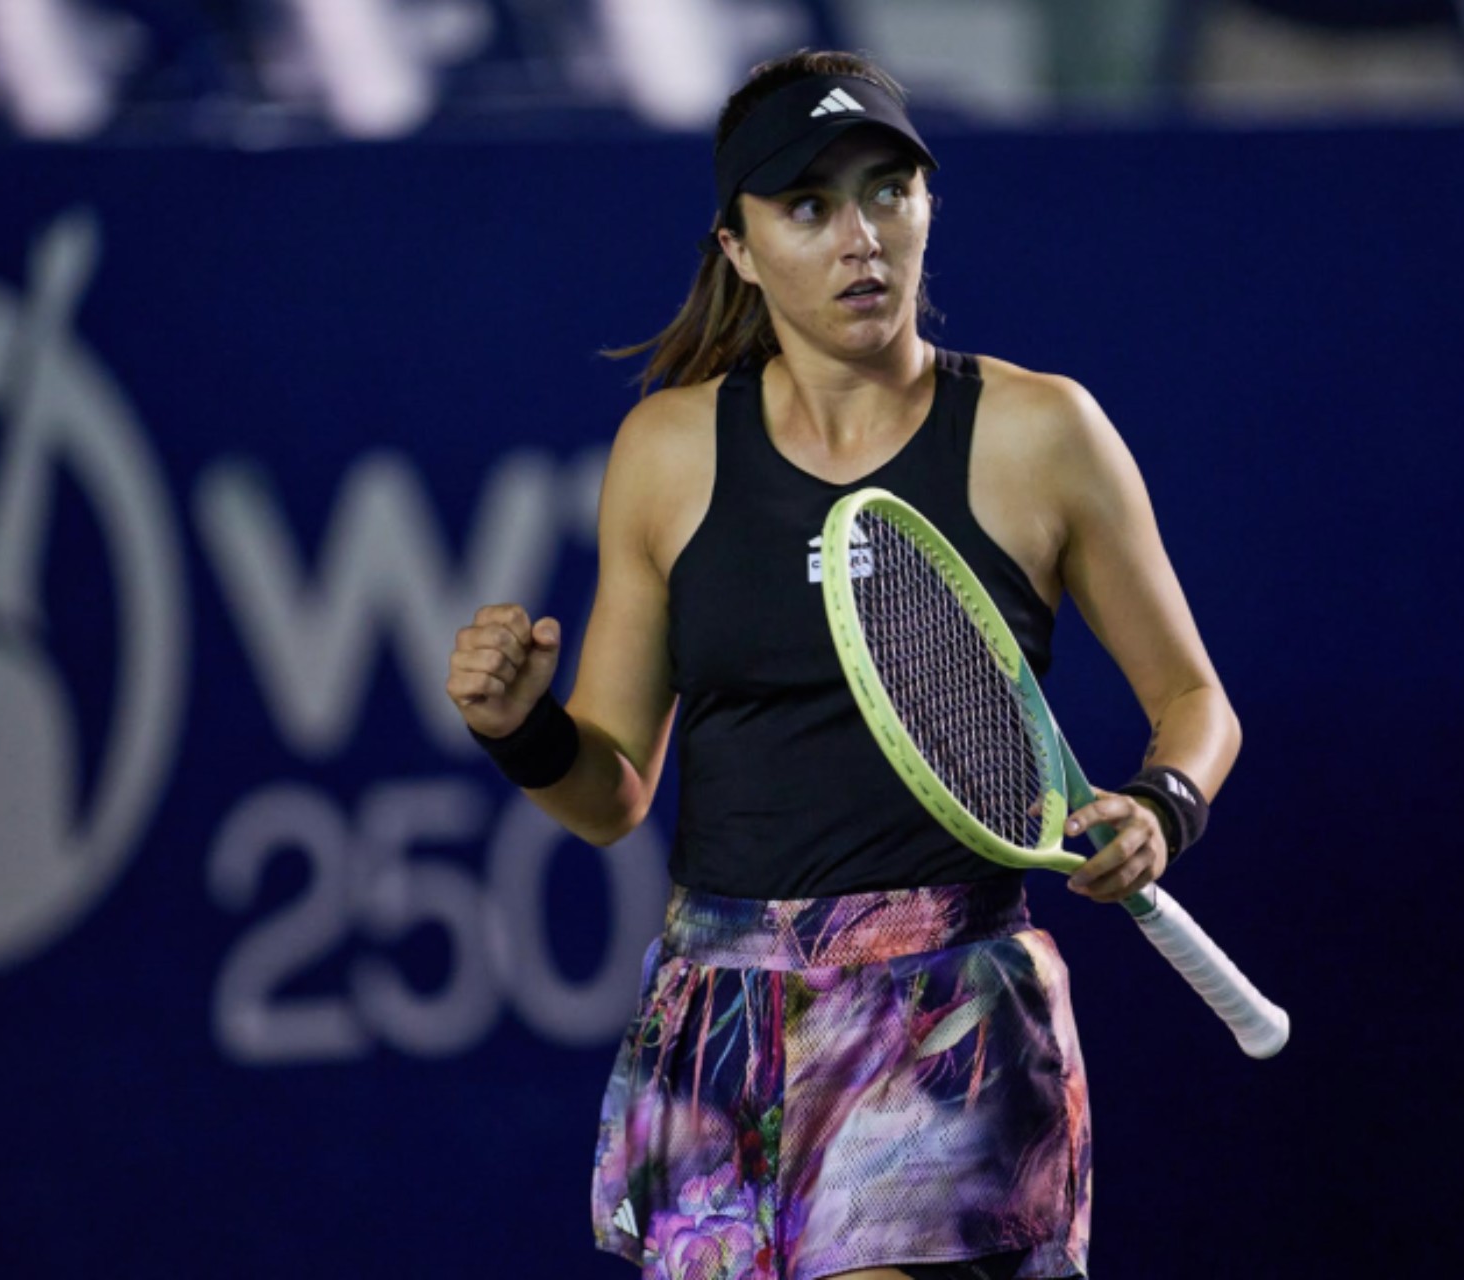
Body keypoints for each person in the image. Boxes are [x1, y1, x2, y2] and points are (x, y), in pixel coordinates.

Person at [446, 49, 1240, 1280]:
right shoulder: (666, 452)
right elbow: (609, 792)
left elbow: (1195, 702)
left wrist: (1163, 801)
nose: (861, 235)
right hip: (716, 1016)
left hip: (948, 1013)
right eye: (808, 205)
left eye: (889, 191)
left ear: (930, 205)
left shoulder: (1044, 432)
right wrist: (519, 727)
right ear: (740, 247)